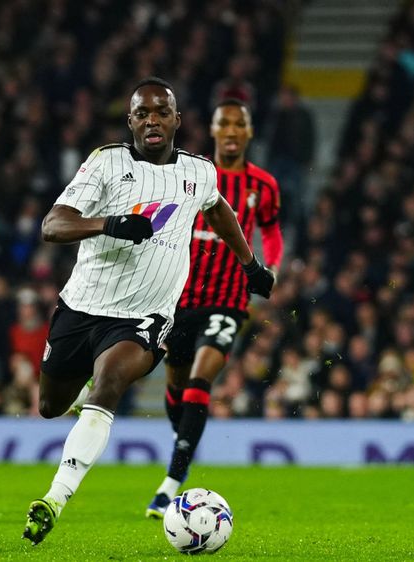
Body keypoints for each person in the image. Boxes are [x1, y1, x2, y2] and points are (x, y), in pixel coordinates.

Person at [22, 78, 274, 545]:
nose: (152, 120)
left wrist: (250, 264)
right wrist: (110, 224)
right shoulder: (105, 163)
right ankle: (78, 399)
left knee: (111, 382)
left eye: (161, 112)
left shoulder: (199, 172)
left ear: (177, 119)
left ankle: (54, 498)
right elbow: (52, 225)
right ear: (130, 121)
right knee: (50, 407)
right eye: (142, 113)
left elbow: (218, 211)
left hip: (147, 316)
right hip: (81, 307)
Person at [145, 98, 284, 518]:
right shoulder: (192, 173)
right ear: (213, 130)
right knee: (178, 386)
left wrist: (271, 266)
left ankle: (170, 484)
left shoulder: (264, 185)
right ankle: (185, 436)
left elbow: (271, 231)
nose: (231, 131)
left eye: (239, 124)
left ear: (248, 132)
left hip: (228, 299)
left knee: (203, 375)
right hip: (180, 297)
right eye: (224, 123)